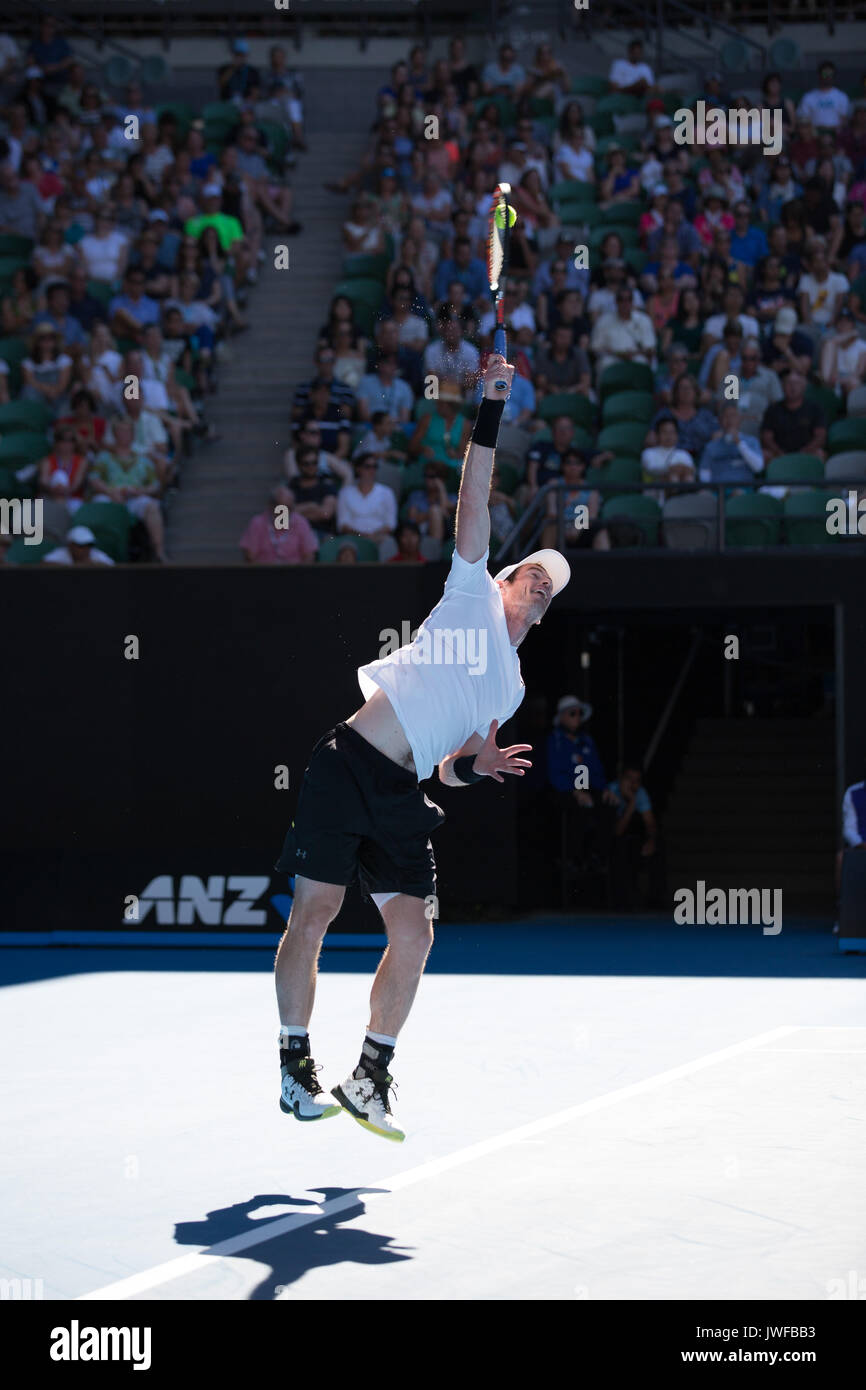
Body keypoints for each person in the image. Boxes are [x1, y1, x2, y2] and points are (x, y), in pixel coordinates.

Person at [272, 353, 570, 1141]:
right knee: (318, 911)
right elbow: (474, 493)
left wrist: (478, 766)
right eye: (532, 574)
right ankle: (295, 1064)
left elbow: (450, 768)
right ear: (504, 578)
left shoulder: (508, 690)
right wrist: (491, 407)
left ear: (544, 614)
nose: (540, 584)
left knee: (418, 932)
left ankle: (370, 1074)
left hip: (406, 792)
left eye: (550, 587)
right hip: (349, 763)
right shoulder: (469, 589)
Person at [546, 694, 617, 876]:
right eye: (572, 713)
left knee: (608, 806)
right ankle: (571, 859)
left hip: (586, 789)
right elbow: (554, 773)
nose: (577, 717)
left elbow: (596, 770)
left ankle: (597, 857)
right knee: (578, 809)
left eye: (579, 713)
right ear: (562, 716)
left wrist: (605, 790)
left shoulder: (587, 741)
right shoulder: (555, 741)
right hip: (563, 791)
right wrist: (574, 791)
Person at [607, 763, 662, 911]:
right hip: (607, 840)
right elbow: (617, 831)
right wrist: (631, 803)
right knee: (620, 847)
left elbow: (650, 823)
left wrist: (651, 840)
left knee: (656, 847)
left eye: (637, 780)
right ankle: (622, 905)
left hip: (628, 838)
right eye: (629, 779)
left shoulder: (640, 793)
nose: (632, 784)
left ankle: (654, 904)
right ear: (620, 779)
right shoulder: (610, 791)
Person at [240, 483, 318, 564]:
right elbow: (249, 556)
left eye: (288, 508)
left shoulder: (301, 523)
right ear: (271, 505)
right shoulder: (257, 523)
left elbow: (309, 556)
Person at [760, 370, 826, 462]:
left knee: (819, 454)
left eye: (797, 383)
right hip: (779, 454)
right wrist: (778, 452)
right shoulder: (773, 409)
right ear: (782, 386)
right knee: (764, 454)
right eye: (789, 383)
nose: (793, 387)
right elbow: (766, 437)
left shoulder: (814, 408)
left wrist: (805, 451)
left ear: (804, 387)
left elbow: (820, 436)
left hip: (807, 452)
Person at [698, 402, 764, 486]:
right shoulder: (711, 446)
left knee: (737, 493)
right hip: (718, 490)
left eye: (733, 416)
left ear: (740, 419)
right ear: (719, 420)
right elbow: (704, 473)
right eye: (725, 416)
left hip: (743, 489)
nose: (729, 420)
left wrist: (739, 443)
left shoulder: (751, 441)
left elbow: (758, 467)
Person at [336, 453, 398, 541]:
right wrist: (361, 536)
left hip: (379, 538)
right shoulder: (345, 493)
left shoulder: (387, 492)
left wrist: (373, 536)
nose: (372, 470)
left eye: (375, 466)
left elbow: (391, 524)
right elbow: (342, 524)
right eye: (367, 466)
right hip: (353, 538)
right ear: (358, 469)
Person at [43, 524, 114, 567]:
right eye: (81, 545)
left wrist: (93, 565)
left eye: (89, 545)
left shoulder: (95, 554)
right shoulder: (62, 553)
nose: (86, 549)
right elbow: (44, 565)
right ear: (71, 545)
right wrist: (75, 567)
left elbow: (113, 567)